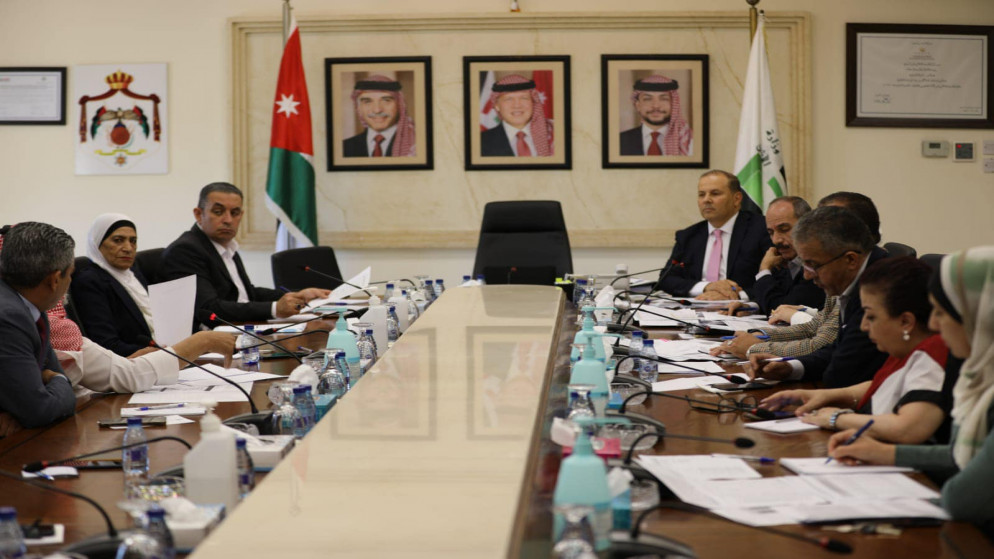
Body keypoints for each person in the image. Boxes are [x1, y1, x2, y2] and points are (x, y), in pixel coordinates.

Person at [828, 247, 994, 541]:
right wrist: (882, 453)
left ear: (980, 317)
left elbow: (961, 498)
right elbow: (959, 456)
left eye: (941, 313)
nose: (933, 324)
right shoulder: (977, 375)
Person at [760, 257, 955, 444]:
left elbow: (907, 428)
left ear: (906, 322)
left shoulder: (934, 353)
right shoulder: (907, 348)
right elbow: (883, 385)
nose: (863, 326)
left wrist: (836, 418)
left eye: (871, 317)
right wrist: (825, 396)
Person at [748, 205, 888, 388]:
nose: (807, 275)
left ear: (851, 260)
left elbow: (843, 370)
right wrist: (790, 368)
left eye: (813, 265)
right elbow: (836, 349)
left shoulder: (880, 286)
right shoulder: (850, 277)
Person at [161, 182, 329, 327]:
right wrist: (274, 309)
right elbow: (209, 308)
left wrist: (297, 296)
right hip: (211, 337)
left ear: (241, 215)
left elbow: (246, 294)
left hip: (238, 327)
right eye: (218, 212)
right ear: (199, 214)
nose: (228, 220)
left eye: (234, 213)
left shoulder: (226, 245)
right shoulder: (186, 250)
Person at [0, 222, 77, 430]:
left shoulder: (32, 308)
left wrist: (55, 380)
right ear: (54, 280)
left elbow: (53, 384)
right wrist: (58, 379)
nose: (70, 280)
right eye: (70, 274)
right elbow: (40, 410)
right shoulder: (9, 318)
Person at [655, 170, 771, 299]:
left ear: (737, 199)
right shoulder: (688, 236)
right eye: (701, 194)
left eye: (715, 193)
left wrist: (737, 295)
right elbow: (666, 279)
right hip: (696, 306)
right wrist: (706, 287)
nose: (706, 200)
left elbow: (777, 280)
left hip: (743, 307)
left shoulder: (763, 229)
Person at [70, 213, 156, 357]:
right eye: (118, 240)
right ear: (97, 243)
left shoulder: (133, 274)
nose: (128, 248)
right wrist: (157, 353)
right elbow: (106, 344)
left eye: (133, 241)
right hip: (131, 361)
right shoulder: (90, 281)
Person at [342, 74, 416, 157]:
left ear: (399, 105)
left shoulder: (416, 145)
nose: (377, 110)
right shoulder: (344, 148)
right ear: (358, 108)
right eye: (367, 101)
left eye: (386, 100)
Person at [619, 74, 693, 156]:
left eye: (664, 99)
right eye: (647, 99)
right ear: (638, 105)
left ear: (674, 104)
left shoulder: (691, 141)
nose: (656, 105)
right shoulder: (618, 141)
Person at [480, 74, 553, 157]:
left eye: (524, 98)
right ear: (497, 106)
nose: (517, 105)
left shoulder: (554, 135)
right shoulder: (480, 142)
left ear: (533, 102)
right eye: (509, 99)